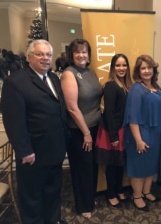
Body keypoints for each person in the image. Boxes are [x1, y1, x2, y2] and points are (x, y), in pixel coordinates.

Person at [1, 39, 69, 224]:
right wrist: (24, 150)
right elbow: (14, 121)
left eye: (48, 54)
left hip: (54, 149)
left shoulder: (53, 78)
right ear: (30, 57)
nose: (45, 58)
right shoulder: (15, 82)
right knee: (32, 197)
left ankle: (53, 219)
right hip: (33, 153)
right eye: (40, 54)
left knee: (53, 191)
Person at [60, 39, 103, 219]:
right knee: (81, 169)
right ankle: (82, 205)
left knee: (92, 166)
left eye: (84, 51)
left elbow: (96, 97)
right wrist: (86, 133)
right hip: (79, 131)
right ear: (71, 55)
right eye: (77, 52)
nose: (81, 55)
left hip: (95, 127)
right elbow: (71, 108)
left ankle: (89, 197)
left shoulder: (90, 72)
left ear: (89, 54)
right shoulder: (69, 74)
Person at [123, 54, 161, 212]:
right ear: (138, 71)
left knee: (151, 165)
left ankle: (146, 191)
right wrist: (138, 140)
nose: (147, 71)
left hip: (155, 133)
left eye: (150, 68)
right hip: (141, 133)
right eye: (143, 68)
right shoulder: (136, 89)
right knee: (139, 166)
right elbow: (132, 118)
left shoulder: (156, 87)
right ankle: (137, 196)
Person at [96, 54, 133, 207]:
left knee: (120, 163)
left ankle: (118, 189)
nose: (121, 68)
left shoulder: (124, 85)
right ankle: (110, 192)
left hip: (122, 130)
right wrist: (113, 136)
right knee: (112, 164)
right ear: (112, 68)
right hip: (112, 131)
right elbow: (109, 113)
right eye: (118, 65)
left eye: (124, 65)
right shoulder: (111, 85)